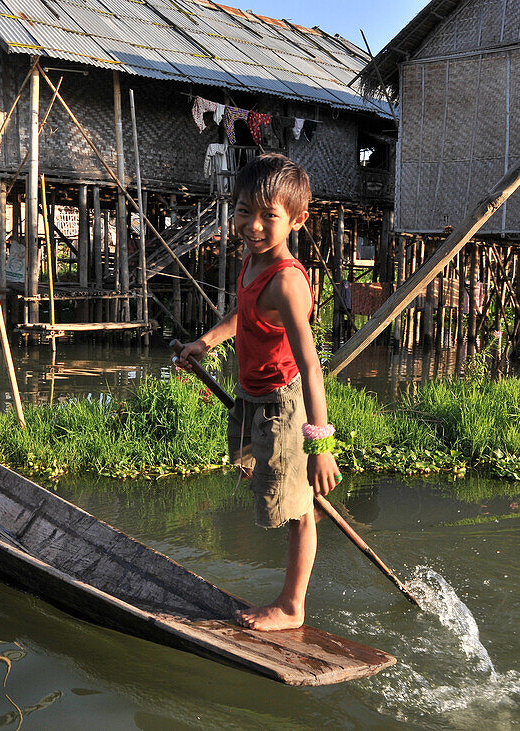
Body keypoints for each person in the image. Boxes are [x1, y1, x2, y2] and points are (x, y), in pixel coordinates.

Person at [176, 153, 341, 632]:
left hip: (284, 407)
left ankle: (292, 607)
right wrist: (204, 343)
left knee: (297, 512)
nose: (253, 225)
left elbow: (310, 366)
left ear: (297, 220)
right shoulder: (252, 263)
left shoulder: (288, 281)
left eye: (269, 216)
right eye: (245, 210)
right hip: (252, 398)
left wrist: (320, 444)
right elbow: (242, 318)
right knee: (274, 488)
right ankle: (295, 509)